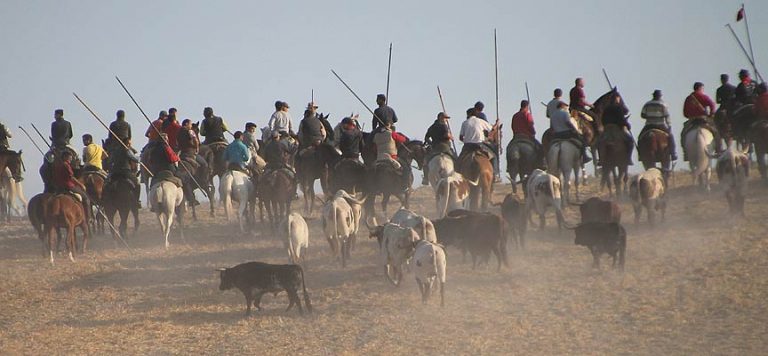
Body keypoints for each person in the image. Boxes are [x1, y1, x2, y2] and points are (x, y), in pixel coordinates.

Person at [682, 82, 720, 159]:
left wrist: (690, 115)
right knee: (716, 132)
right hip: (703, 119)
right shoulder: (704, 96)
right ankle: (718, 149)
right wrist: (711, 114)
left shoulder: (689, 98)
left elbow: (685, 113)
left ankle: (685, 153)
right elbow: (712, 104)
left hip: (692, 120)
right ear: (700, 88)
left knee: (683, 134)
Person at [52, 150, 90, 223]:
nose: (71, 158)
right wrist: (80, 184)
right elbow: (71, 177)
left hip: (59, 188)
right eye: (69, 157)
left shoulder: (57, 166)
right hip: (69, 186)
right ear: (65, 157)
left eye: (71, 157)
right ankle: (88, 218)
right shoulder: (66, 165)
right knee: (86, 198)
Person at [640, 90, 677, 161]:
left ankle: (641, 154)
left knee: (640, 138)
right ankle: (673, 153)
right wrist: (669, 126)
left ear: (653, 96)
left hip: (649, 125)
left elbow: (642, 115)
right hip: (661, 125)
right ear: (660, 96)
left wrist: (650, 116)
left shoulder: (647, 104)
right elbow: (667, 116)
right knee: (671, 137)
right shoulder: (663, 104)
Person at [373, 120, 410, 190]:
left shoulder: (376, 136)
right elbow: (404, 140)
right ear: (389, 125)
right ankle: (404, 186)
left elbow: (374, 149)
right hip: (392, 157)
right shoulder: (392, 134)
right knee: (406, 168)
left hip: (379, 158)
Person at [599, 93, 634, 164]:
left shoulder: (606, 108)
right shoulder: (619, 108)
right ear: (616, 99)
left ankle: (601, 159)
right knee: (630, 141)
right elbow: (621, 119)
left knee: (599, 143)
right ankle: (628, 158)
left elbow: (602, 119)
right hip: (617, 129)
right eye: (618, 98)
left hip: (607, 129)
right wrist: (627, 125)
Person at [107, 137, 141, 208]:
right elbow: (134, 159)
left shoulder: (115, 151)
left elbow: (110, 161)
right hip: (125, 172)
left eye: (129, 144)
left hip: (115, 172)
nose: (129, 145)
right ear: (125, 143)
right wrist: (140, 158)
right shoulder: (127, 150)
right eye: (128, 143)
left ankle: (105, 201)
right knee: (137, 184)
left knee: (107, 184)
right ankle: (136, 201)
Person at [422, 112, 454, 185]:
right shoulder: (444, 126)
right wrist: (451, 137)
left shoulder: (432, 126)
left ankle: (426, 178)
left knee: (426, 161)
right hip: (445, 147)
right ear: (440, 118)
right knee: (455, 158)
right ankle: (457, 175)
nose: (446, 120)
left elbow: (426, 137)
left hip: (435, 148)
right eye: (445, 118)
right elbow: (447, 135)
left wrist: (431, 143)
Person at [510, 100, 544, 165]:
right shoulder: (527, 114)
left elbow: (512, 127)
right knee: (540, 147)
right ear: (527, 106)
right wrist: (533, 132)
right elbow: (530, 125)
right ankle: (541, 163)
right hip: (527, 136)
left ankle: (509, 166)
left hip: (516, 137)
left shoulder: (515, 115)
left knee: (509, 147)